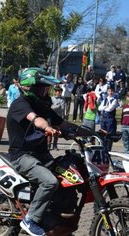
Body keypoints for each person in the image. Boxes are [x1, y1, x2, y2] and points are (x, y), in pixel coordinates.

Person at [7, 67, 91, 236]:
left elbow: (65, 124)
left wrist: (93, 132)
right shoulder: (20, 104)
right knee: (50, 182)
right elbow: (35, 120)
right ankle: (30, 220)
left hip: (42, 155)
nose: (44, 91)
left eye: (45, 87)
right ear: (29, 87)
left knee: (68, 176)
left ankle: (54, 218)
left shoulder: (43, 106)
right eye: (40, 87)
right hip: (22, 156)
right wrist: (47, 127)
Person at [98, 86, 119, 151]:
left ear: (113, 92)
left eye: (112, 91)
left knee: (109, 136)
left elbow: (110, 109)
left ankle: (108, 151)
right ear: (107, 92)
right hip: (104, 119)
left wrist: (104, 107)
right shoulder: (104, 100)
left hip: (110, 119)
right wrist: (105, 107)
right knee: (102, 135)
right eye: (109, 91)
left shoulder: (115, 100)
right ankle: (103, 150)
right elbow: (99, 108)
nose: (110, 92)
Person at [49, 86, 65, 150]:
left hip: (58, 117)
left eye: (59, 91)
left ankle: (55, 145)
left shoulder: (62, 100)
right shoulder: (51, 98)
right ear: (54, 92)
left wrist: (55, 107)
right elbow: (50, 107)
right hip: (51, 117)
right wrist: (57, 106)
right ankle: (48, 145)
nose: (57, 92)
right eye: (56, 91)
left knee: (57, 132)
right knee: (49, 131)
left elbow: (62, 108)